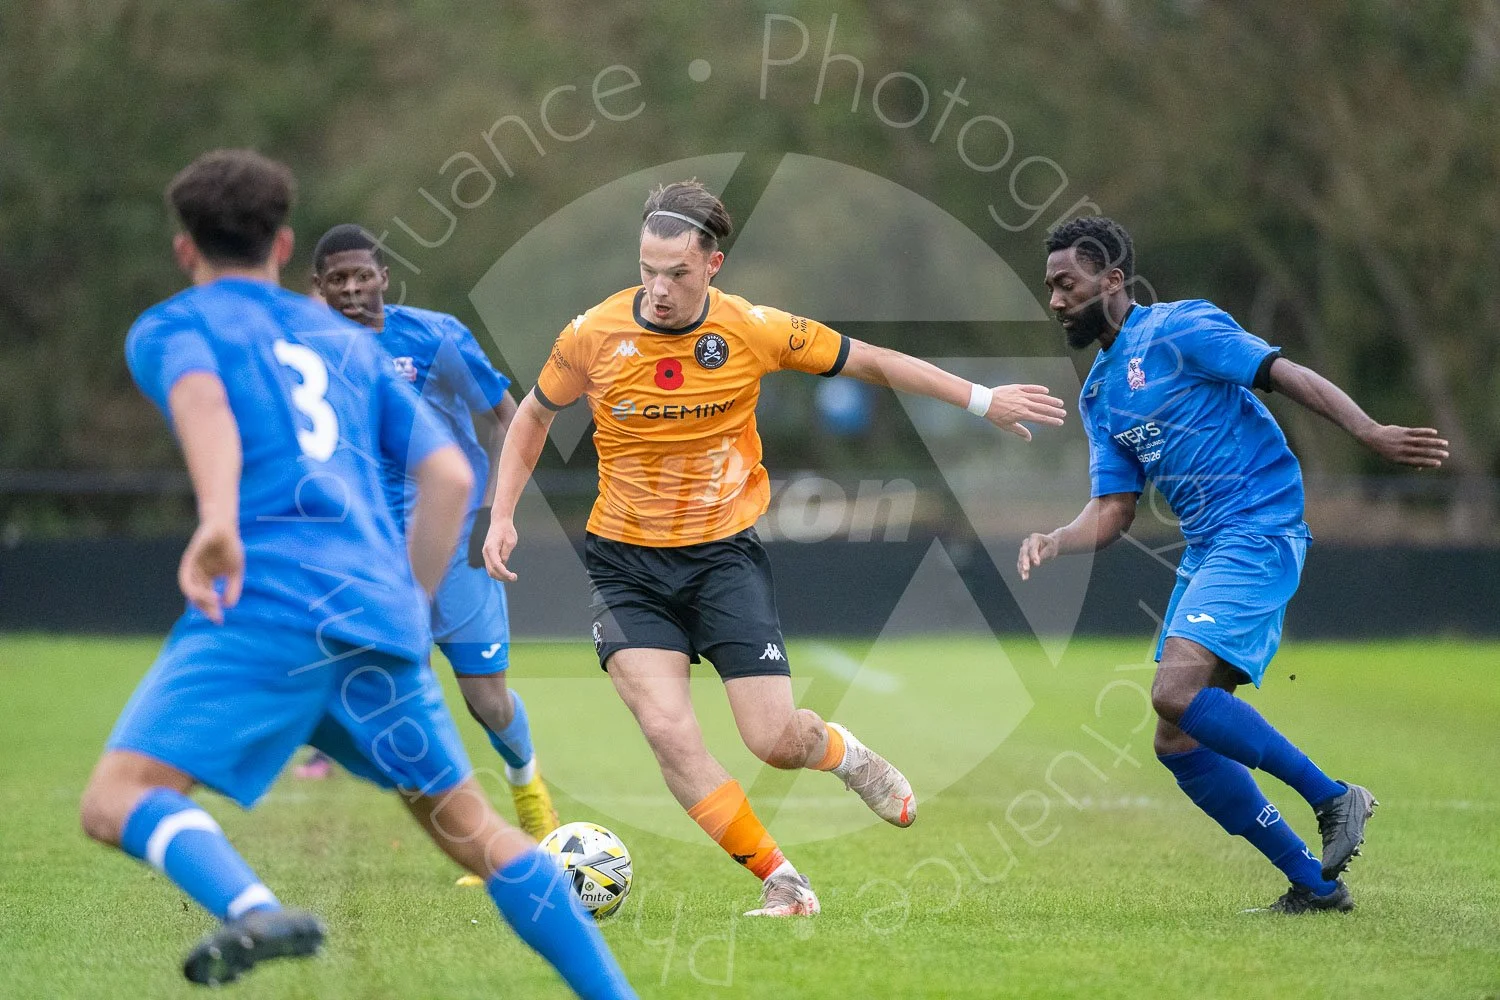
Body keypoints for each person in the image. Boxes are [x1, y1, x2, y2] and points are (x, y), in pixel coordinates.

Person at [79, 149, 634, 998]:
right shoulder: (346, 342)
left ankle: (252, 906)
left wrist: (221, 522)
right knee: (477, 836)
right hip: (376, 612)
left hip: (269, 603)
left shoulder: (174, 325)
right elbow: (449, 474)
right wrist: (408, 604)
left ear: (186, 249)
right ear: (283, 243)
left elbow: (207, 412)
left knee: (117, 797)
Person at [482, 180, 1068, 917]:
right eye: (648, 270)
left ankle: (847, 755)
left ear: (714, 265)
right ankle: (782, 879)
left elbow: (875, 362)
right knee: (667, 731)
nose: (659, 290)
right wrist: (503, 514)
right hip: (624, 564)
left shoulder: (755, 331)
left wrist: (982, 400)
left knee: (773, 740)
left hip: (722, 559)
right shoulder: (593, 335)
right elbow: (534, 417)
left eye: (678, 274)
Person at [1018, 216, 1449, 914]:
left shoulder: (1181, 328)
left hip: (1259, 527)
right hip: (1208, 547)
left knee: (1172, 693)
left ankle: (1335, 798)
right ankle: (1314, 886)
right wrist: (1058, 538)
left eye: (1067, 283)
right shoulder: (1099, 393)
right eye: (1050, 288)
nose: (1057, 300)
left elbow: (1283, 372)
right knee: (1176, 739)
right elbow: (1114, 509)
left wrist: (1368, 429)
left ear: (1114, 280)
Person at [299, 224, 558, 841]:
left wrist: (496, 510)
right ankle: (477, 836)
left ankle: (529, 792)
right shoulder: (305, 355)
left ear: (385, 277)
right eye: (338, 279)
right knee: (381, 692)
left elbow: (508, 417)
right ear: (319, 288)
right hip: (370, 551)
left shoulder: (434, 336)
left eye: (364, 274)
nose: (354, 287)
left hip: (456, 541)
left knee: (487, 702)